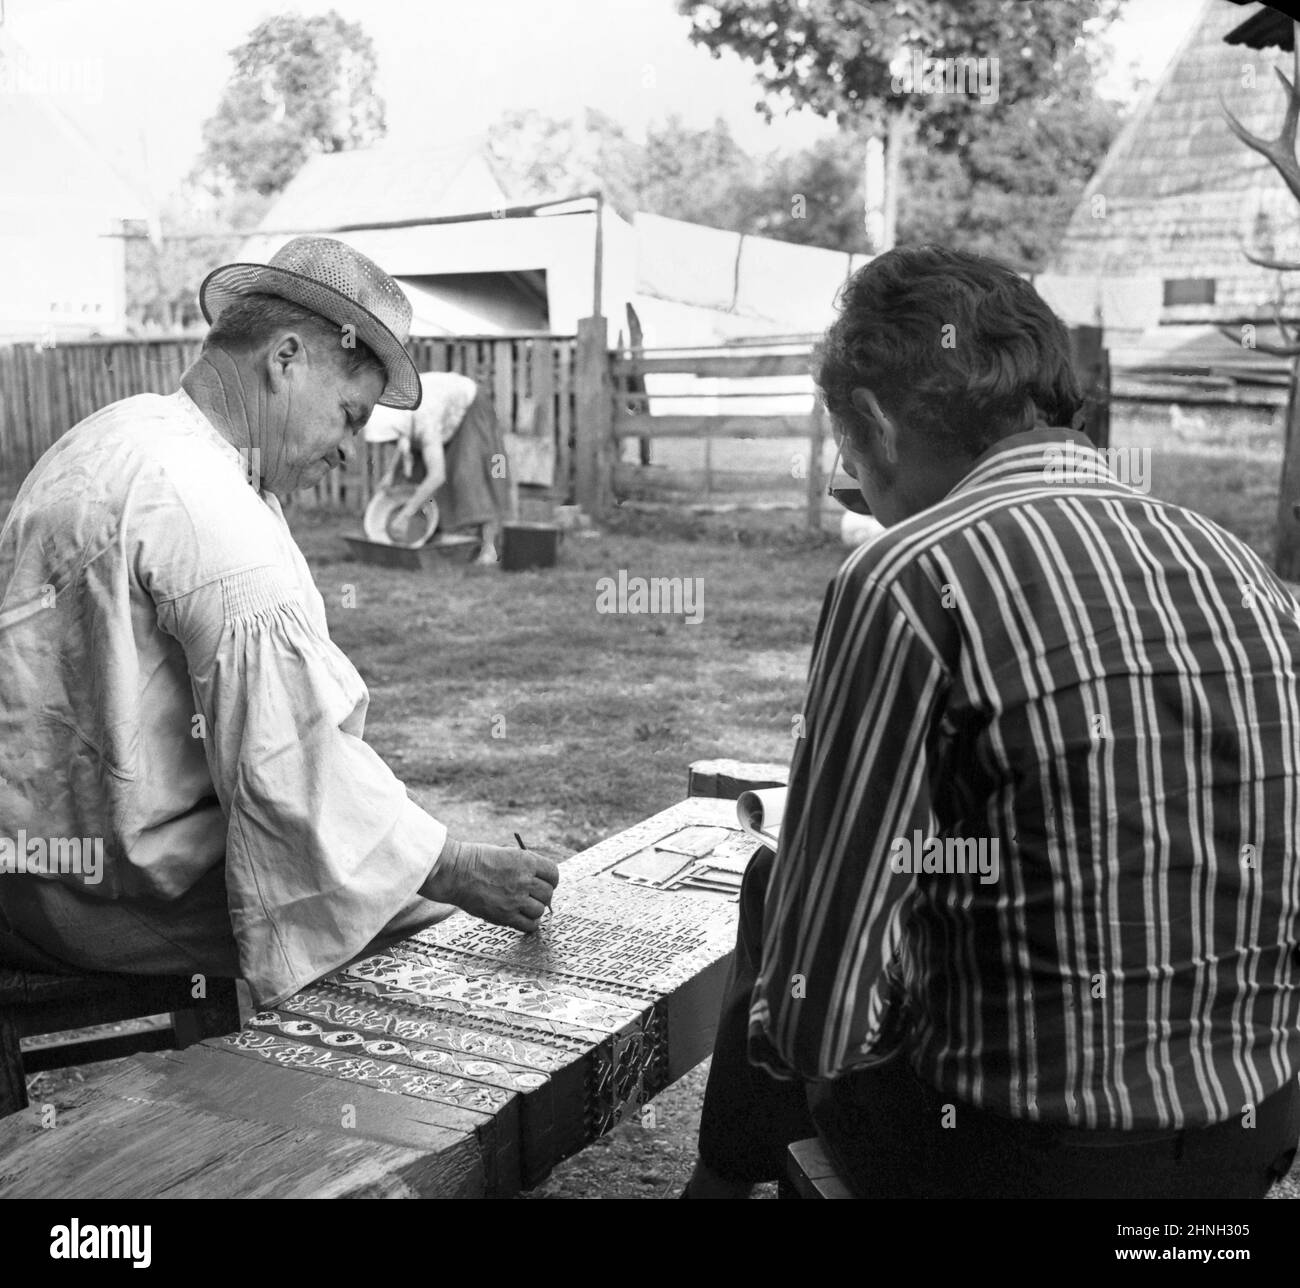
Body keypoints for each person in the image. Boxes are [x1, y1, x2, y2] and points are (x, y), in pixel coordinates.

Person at [686, 245, 1300, 1200]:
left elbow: (819, 1020)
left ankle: (717, 1188)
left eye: (850, 461)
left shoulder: (904, 579)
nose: (861, 491)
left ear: (878, 426)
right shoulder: (1246, 570)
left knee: (779, 892)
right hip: (1243, 1147)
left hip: (1014, 1165)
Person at [0, 236, 557, 1008]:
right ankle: (318, 1116)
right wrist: (454, 866)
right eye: (348, 415)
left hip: (31, 859)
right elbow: (292, 771)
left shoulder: (121, 434)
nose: (347, 450)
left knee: (386, 865)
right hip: (93, 896)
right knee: (413, 914)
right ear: (287, 358)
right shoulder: (209, 507)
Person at [365, 370, 509, 564]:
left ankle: (489, 548)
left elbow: (437, 476)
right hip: (439, 414)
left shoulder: (425, 417)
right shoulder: (397, 413)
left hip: (469, 406)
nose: (390, 443)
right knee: (415, 474)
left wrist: (406, 512)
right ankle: (444, 538)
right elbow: (404, 439)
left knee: (468, 477)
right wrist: (391, 473)